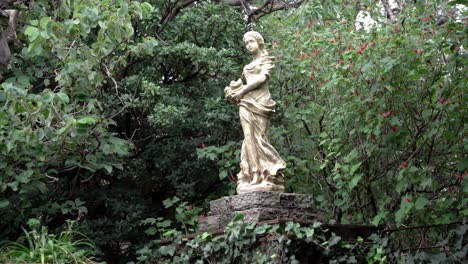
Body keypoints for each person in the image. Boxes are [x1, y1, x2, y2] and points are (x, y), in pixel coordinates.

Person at [225, 31, 287, 194]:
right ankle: (253, 174)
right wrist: (231, 88)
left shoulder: (266, 61)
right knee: (248, 137)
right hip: (246, 103)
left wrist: (242, 90)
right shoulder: (247, 67)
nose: (248, 45)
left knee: (260, 138)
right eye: (246, 43)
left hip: (261, 103)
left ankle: (269, 172)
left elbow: (261, 79)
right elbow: (239, 82)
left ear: (259, 42)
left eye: (251, 41)